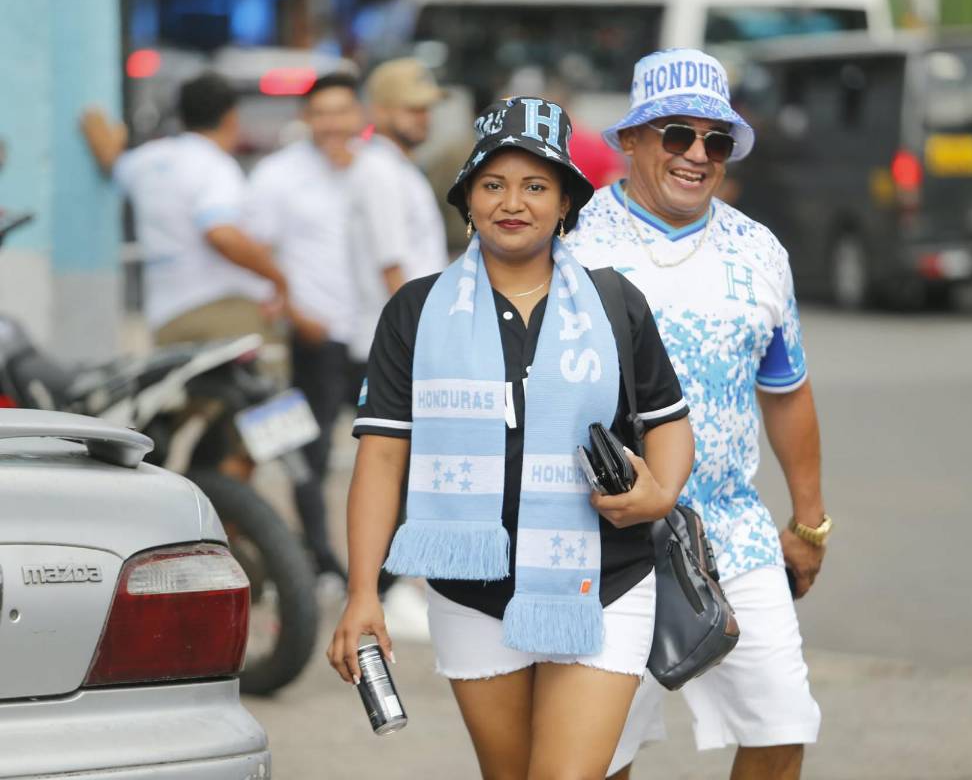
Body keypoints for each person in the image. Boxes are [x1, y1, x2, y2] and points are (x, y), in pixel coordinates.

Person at [326, 96, 695, 778]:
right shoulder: (416, 310)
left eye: (535, 186)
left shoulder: (617, 304)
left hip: (602, 581)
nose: (512, 202)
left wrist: (657, 495)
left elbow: (669, 423)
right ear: (468, 199)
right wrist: (362, 594)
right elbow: (380, 458)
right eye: (493, 184)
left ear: (565, 204)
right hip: (472, 590)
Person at [567, 49, 829, 780]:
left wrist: (809, 521)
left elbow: (788, 390)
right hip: (605, 537)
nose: (696, 155)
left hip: (731, 534)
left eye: (715, 140)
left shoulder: (760, 251)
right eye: (676, 134)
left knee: (781, 725)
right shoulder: (573, 243)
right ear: (631, 139)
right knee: (598, 751)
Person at [244, 72, 364, 583]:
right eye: (322, 112)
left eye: (342, 111)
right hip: (313, 335)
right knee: (306, 453)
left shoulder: (376, 170)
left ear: (358, 115)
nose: (333, 123)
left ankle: (382, 571)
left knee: (390, 449)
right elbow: (251, 252)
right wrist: (292, 312)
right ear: (306, 118)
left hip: (374, 334)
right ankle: (319, 559)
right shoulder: (277, 175)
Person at [348, 58, 451, 636]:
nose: (424, 117)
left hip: (409, 334)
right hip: (401, 340)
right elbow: (395, 269)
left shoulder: (396, 169)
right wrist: (420, 342)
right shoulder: (380, 173)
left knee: (416, 470)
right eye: (414, 108)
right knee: (399, 468)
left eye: (427, 107)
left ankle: (398, 585)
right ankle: (386, 589)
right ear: (382, 111)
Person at [79, 72, 288, 347]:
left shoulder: (148, 160)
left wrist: (94, 119)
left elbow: (111, 161)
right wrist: (277, 279)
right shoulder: (215, 166)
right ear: (230, 118)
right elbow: (221, 234)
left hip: (166, 320)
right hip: (223, 312)